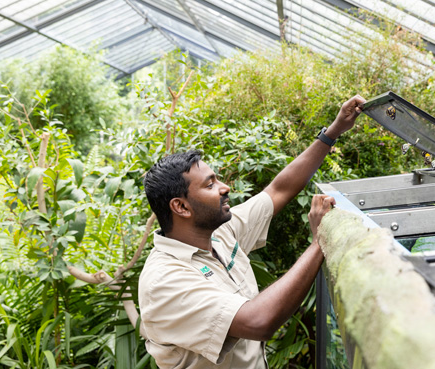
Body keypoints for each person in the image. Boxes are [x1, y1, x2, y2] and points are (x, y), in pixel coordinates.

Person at [139, 95, 365, 368]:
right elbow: (258, 321)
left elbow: (278, 190)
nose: (225, 188)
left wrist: (333, 131)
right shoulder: (164, 281)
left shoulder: (219, 233)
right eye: (210, 185)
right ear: (181, 207)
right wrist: (320, 242)